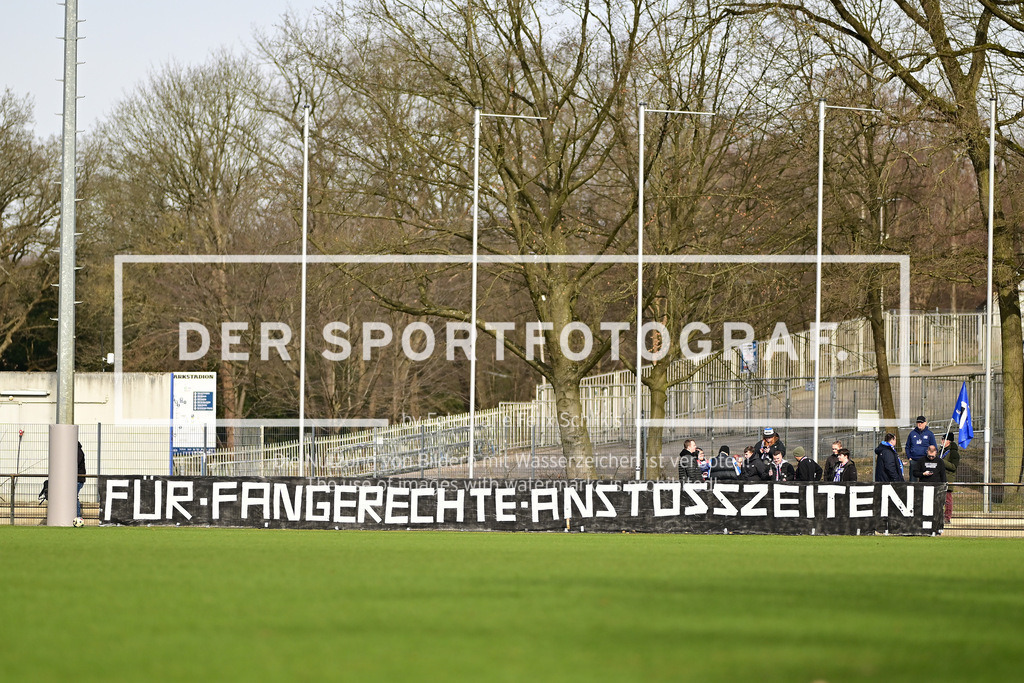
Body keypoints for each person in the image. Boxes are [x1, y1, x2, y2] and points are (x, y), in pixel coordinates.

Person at [905, 416, 937, 482]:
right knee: (913, 480)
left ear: (925, 423)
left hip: (925, 460)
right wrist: (909, 457)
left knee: (925, 479)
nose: (919, 424)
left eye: (921, 422)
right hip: (914, 460)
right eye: (918, 422)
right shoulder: (912, 434)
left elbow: (934, 447)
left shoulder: (929, 434)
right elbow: (907, 446)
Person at [941, 432, 960, 523]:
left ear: (948, 441)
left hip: (948, 478)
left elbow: (953, 467)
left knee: (947, 499)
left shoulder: (953, 453)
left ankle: (947, 517)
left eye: (943, 439)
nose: (942, 441)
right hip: (940, 478)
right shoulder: (941, 451)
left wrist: (942, 462)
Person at [77, 441, 86, 518]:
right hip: (78, 479)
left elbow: (75, 463)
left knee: (74, 497)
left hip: (78, 479)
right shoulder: (78, 452)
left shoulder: (78, 452)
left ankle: (78, 515)